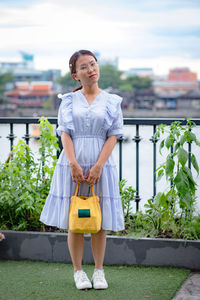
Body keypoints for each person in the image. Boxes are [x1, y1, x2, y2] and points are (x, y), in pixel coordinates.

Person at [40, 49, 124, 290]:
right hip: (71, 165)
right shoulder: (68, 100)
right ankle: (78, 271)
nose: (91, 69)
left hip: (102, 166)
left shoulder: (112, 101)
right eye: (84, 67)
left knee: (99, 219)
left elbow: (113, 135)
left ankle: (99, 271)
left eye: (93, 64)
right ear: (75, 74)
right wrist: (74, 164)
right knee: (75, 219)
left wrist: (98, 166)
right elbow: (65, 132)